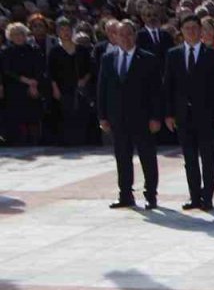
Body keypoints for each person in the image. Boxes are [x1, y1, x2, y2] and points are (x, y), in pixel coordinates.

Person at [97, 20, 163, 209]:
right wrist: (102, 116)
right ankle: (125, 194)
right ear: (114, 36)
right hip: (117, 118)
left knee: (147, 157)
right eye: (121, 34)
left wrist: (156, 117)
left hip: (143, 118)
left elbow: (156, 91)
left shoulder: (148, 58)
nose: (125, 38)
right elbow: (102, 89)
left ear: (135, 35)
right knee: (122, 157)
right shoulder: (107, 58)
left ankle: (151, 195)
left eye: (129, 34)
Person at [165, 15, 214, 211]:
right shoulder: (173, 55)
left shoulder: (212, 55)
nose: (191, 31)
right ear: (181, 31)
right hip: (183, 116)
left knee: (208, 159)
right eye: (187, 28)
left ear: (201, 30)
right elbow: (168, 86)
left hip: (207, 116)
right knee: (190, 160)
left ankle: (207, 197)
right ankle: (195, 197)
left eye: (194, 28)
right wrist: (168, 114)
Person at [47, 17, 94, 146]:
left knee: (80, 113)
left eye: (68, 30)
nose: (65, 33)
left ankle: (81, 141)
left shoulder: (81, 50)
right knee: (65, 114)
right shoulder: (54, 51)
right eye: (62, 30)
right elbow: (51, 72)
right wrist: (55, 88)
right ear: (57, 32)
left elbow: (90, 68)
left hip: (79, 87)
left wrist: (84, 80)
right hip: (63, 87)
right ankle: (67, 142)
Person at [2, 23, 46, 145]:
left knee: (33, 116)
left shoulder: (34, 49)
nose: (19, 37)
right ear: (10, 36)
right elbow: (7, 71)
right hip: (15, 88)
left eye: (21, 34)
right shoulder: (6, 52)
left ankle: (35, 141)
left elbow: (40, 68)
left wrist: (34, 84)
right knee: (16, 116)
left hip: (33, 87)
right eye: (15, 34)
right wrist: (26, 81)